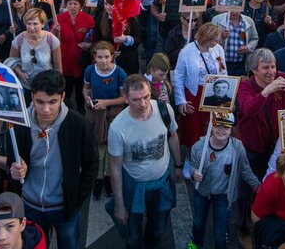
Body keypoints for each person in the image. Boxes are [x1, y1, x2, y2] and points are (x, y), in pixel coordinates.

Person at [7, 70, 97, 249]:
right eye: (40, 102)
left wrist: (77, 201)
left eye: (52, 102)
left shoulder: (78, 124)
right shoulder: (18, 124)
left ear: (63, 96)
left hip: (65, 208)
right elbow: (12, 161)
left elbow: (90, 165)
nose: (46, 109)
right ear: (31, 96)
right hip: (30, 206)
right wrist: (16, 172)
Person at [108, 75, 181, 249]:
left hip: (161, 182)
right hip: (134, 186)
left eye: (146, 97)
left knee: (158, 229)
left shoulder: (165, 110)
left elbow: (172, 136)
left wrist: (178, 165)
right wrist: (119, 204)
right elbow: (116, 168)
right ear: (125, 98)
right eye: (135, 99)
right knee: (133, 235)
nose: (142, 104)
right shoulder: (117, 127)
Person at [236, 49, 285, 178]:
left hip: (276, 144)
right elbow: (248, 109)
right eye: (266, 68)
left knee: (272, 180)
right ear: (254, 70)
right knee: (249, 182)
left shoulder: (279, 77)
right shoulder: (246, 86)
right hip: (253, 147)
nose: (271, 71)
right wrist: (265, 92)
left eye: (273, 66)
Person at [188, 112, 260, 249]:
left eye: (226, 127)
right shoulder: (199, 146)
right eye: (217, 126)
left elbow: (245, 170)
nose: (221, 130)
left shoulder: (237, 148)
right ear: (210, 126)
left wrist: (257, 186)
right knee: (197, 224)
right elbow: (193, 167)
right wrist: (193, 174)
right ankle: (193, 246)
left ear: (231, 130)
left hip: (223, 195)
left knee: (220, 233)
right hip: (202, 192)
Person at [83, 41, 127, 199]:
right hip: (96, 114)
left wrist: (105, 103)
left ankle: (108, 177)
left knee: (111, 148)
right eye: (99, 57)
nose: (103, 61)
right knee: (99, 148)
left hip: (113, 115)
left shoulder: (119, 73)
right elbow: (86, 88)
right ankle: (98, 178)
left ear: (112, 57)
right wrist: (87, 98)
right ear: (94, 57)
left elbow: (124, 98)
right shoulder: (89, 70)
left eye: (106, 57)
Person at [174, 23, 227, 148]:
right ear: (206, 39)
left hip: (215, 93)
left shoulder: (218, 49)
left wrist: (225, 97)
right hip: (194, 94)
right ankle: (191, 159)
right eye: (214, 40)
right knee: (193, 130)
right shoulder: (187, 51)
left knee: (212, 127)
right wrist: (181, 101)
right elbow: (179, 76)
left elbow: (223, 70)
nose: (216, 42)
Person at [53, 0, 94, 111]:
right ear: (66, 5)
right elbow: (49, 40)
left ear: (81, 5)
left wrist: (89, 45)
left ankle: (82, 115)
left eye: (75, 4)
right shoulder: (58, 20)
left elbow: (94, 38)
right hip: (64, 63)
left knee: (81, 95)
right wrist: (54, 31)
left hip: (81, 64)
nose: (72, 6)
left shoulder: (88, 20)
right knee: (65, 93)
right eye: (70, 3)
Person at [8, 8, 62, 89]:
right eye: (28, 23)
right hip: (26, 86)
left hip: (46, 86)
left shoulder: (51, 39)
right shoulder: (18, 40)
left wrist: (58, 87)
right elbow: (11, 61)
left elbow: (58, 68)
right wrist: (21, 74)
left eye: (35, 24)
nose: (31, 27)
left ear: (42, 24)